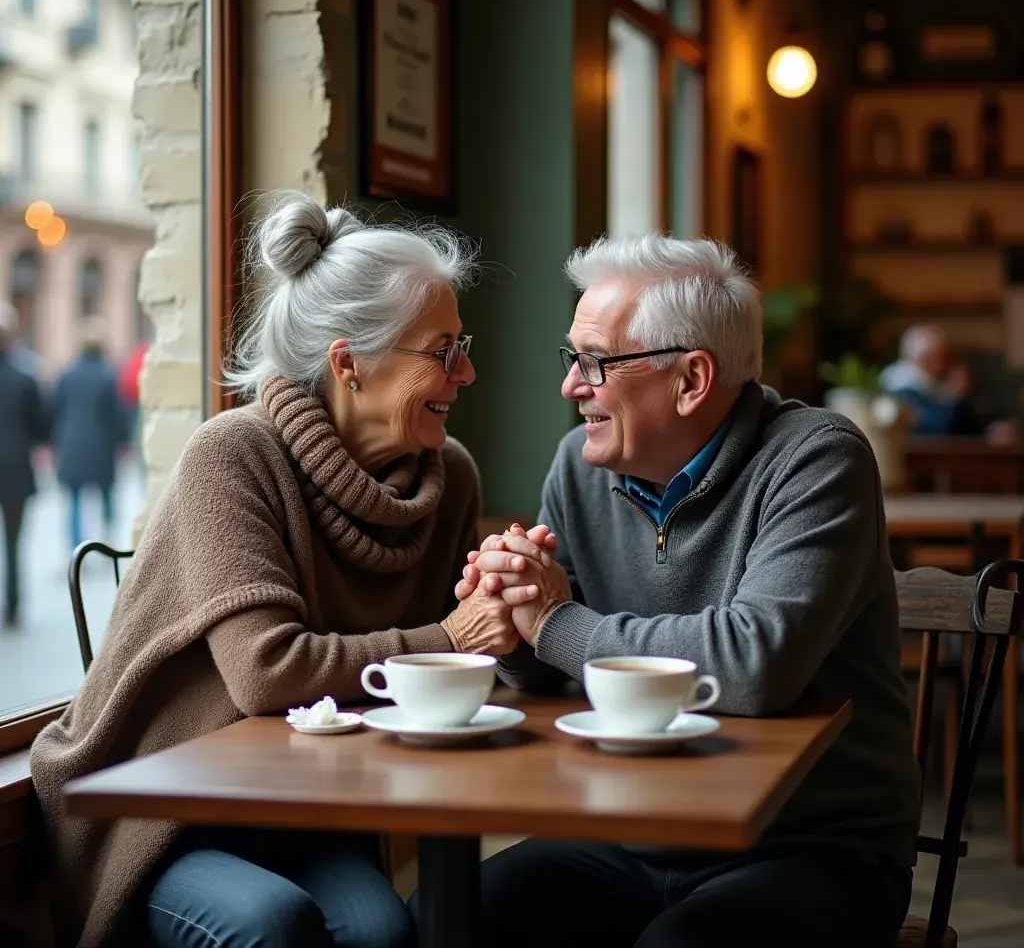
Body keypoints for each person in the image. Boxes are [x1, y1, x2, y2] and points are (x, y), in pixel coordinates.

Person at [31, 191, 515, 948]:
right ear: (349, 361)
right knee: (272, 924)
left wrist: (514, 601)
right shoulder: (233, 455)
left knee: (385, 930)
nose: (469, 372)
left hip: (300, 800)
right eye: (443, 350)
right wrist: (453, 637)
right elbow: (268, 672)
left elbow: (463, 655)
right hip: (160, 804)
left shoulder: (448, 477)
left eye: (464, 344)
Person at [449, 235, 920, 947]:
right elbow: (552, 660)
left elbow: (754, 664)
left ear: (692, 379)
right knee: (448, 917)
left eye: (595, 363)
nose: (571, 386)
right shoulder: (578, 466)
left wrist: (553, 620)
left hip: (810, 848)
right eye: (571, 359)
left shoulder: (818, 459)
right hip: (629, 830)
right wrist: (513, 617)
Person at [51, 319, 127, 549]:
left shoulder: (66, 374)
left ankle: (76, 548)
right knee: (106, 494)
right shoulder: (108, 375)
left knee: (74, 499)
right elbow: (117, 414)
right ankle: (107, 540)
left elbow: (55, 411)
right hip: (101, 446)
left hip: (71, 445)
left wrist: (54, 443)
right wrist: (122, 442)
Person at [0, 301, 48, 629]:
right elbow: (40, 427)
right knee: (14, 542)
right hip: (15, 469)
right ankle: (13, 606)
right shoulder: (24, 379)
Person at [879, 324, 1014, 439]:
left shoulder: (935, 383)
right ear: (924, 359)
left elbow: (965, 424)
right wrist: (955, 397)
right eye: (940, 357)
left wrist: (988, 430)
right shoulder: (902, 387)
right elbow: (939, 427)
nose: (945, 364)